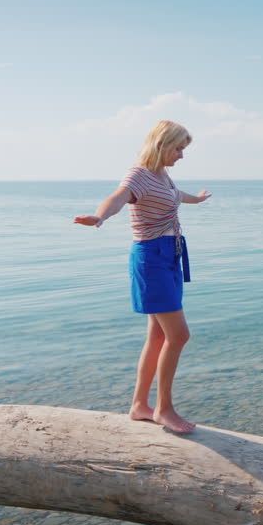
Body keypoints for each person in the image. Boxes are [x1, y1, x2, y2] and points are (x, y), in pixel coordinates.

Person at [74, 120, 211, 433]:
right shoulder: (138, 175)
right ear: (161, 144)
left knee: (159, 335)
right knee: (179, 335)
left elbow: (176, 196)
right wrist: (99, 216)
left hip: (171, 256)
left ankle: (139, 405)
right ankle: (163, 409)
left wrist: (198, 199)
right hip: (151, 259)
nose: (181, 155)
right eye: (178, 148)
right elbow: (118, 197)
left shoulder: (162, 175)